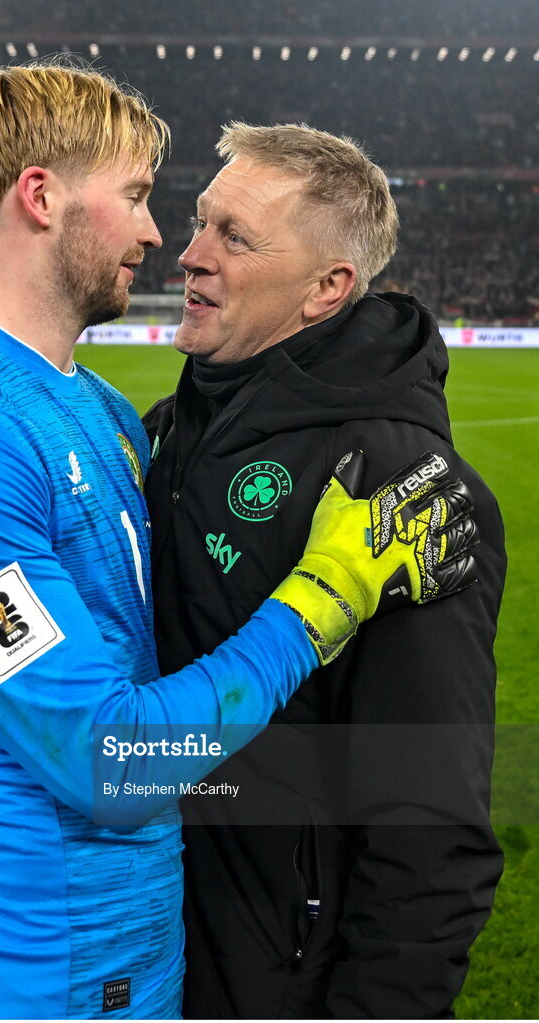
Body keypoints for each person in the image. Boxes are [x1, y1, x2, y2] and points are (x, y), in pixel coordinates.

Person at [0, 67, 478, 1020]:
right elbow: (111, 762)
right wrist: (319, 601)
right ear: (41, 195)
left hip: (144, 969)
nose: (160, 237)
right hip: (7, 984)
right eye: (140, 197)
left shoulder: (110, 418)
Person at [144, 122, 507, 1019]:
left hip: (283, 975)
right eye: (198, 222)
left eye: (234, 236)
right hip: (152, 948)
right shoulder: (168, 429)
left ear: (326, 288)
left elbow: (430, 825)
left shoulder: (400, 489)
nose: (186, 256)